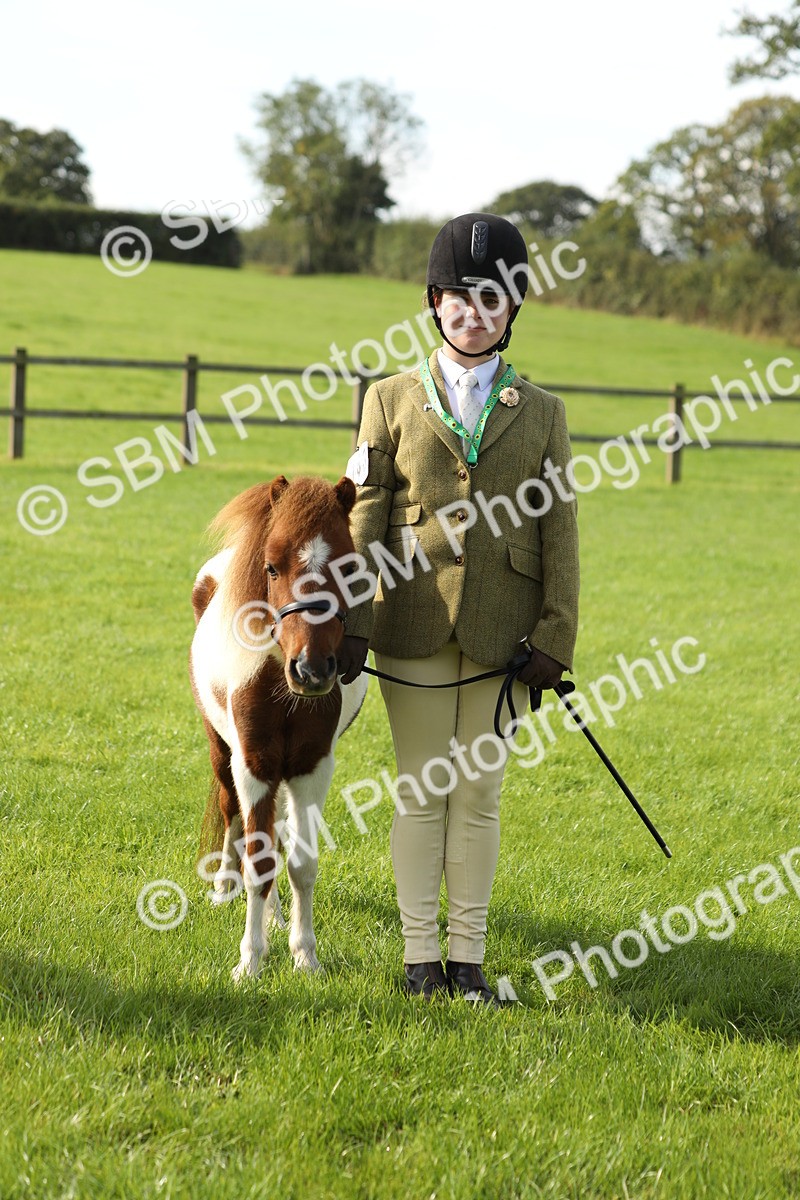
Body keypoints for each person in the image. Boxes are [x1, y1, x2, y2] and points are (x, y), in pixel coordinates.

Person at [337, 213, 580, 1005]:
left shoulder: (543, 411)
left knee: (478, 793)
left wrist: (555, 635)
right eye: (458, 298)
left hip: (504, 633)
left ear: (513, 311)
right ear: (432, 303)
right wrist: (350, 619)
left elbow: (561, 531)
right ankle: (418, 959)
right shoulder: (387, 399)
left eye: (491, 300)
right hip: (408, 621)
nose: (473, 312)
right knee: (419, 789)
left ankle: (467, 958)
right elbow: (368, 514)